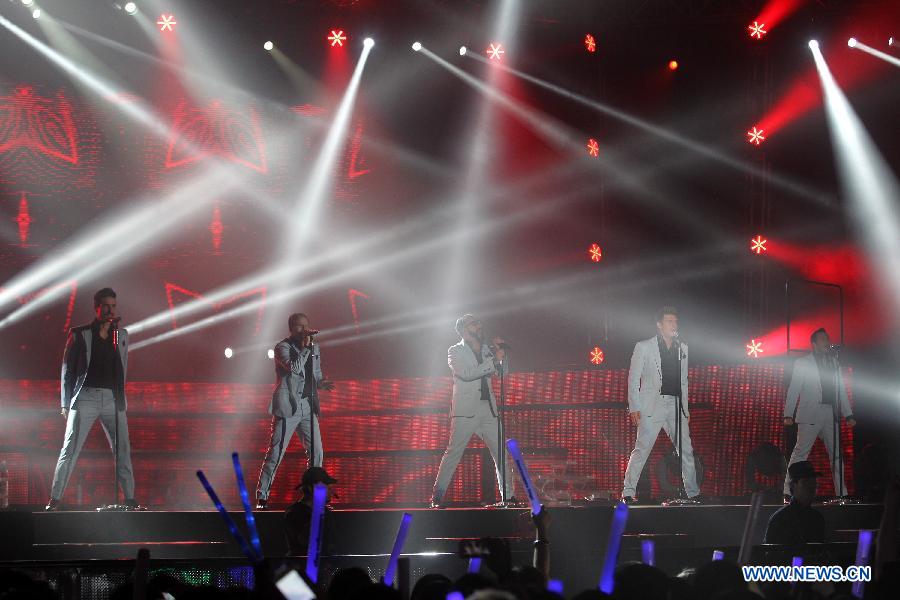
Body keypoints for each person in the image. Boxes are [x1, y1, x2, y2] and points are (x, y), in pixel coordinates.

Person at [46, 287, 137, 510]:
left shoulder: (121, 335)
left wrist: (120, 396)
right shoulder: (80, 333)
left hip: (113, 399)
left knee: (122, 449)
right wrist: (65, 403)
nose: (110, 310)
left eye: (113, 306)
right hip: (85, 396)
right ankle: (55, 499)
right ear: (97, 307)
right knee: (70, 448)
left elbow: (122, 366)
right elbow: (67, 370)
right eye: (106, 305)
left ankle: (130, 498)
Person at [431, 314, 515, 507]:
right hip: (465, 411)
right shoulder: (455, 351)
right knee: (453, 453)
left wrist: (501, 355)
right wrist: (493, 361)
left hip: (488, 410)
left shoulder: (487, 350)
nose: (479, 326)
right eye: (474, 323)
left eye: (479, 323)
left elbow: (503, 373)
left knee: (501, 453)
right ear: (463, 329)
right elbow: (466, 374)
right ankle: (437, 497)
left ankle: (508, 497)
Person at [621, 307, 701, 503]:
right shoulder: (644, 347)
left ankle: (692, 493)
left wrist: (685, 408)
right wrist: (634, 406)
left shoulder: (682, 348)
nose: (674, 325)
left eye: (675, 322)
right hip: (652, 405)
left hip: (675, 405)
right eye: (669, 321)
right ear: (659, 325)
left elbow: (684, 381)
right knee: (642, 450)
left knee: (686, 450)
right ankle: (628, 492)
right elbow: (633, 378)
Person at [256, 313, 334, 510]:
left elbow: (315, 374)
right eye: (300, 327)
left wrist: (321, 383)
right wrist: (305, 348)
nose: (304, 330)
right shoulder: (282, 347)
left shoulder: (313, 347)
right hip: (288, 406)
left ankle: (315, 498)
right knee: (276, 452)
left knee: (317, 452)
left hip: (308, 405)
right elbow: (295, 368)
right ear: (291, 328)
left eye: (306, 326)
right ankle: (262, 497)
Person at [783, 328, 855, 500]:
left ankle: (842, 494)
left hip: (830, 413)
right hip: (810, 413)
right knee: (800, 453)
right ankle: (787, 490)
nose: (826, 342)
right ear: (814, 344)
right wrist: (788, 413)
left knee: (836, 454)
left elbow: (840, 390)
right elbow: (794, 389)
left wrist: (848, 414)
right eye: (823, 339)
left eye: (827, 338)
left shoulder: (833, 363)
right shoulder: (803, 363)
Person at [764, 460, 825, 545]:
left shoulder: (817, 518)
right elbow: (771, 554)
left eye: (813, 481)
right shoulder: (781, 519)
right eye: (806, 481)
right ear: (793, 485)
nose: (812, 485)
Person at [284, 466, 338, 555]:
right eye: (326, 488)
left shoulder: (325, 511)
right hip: (301, 566)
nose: (330, 492)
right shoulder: (295, 513)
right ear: (311, 488)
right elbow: (305, 542)